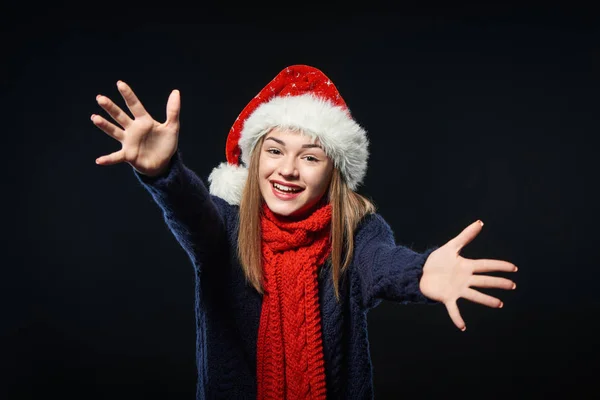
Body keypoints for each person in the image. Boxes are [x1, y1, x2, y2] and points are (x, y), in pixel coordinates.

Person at [91, 65, 517, 399]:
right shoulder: (225, 226)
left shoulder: (356, 229)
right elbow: (191, 212)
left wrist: (420, 272)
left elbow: (380, 263)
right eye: (274, 151)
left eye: (310, 157)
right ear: (255, 159)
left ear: (333, 170)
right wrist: (166, 172)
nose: (288, 170)